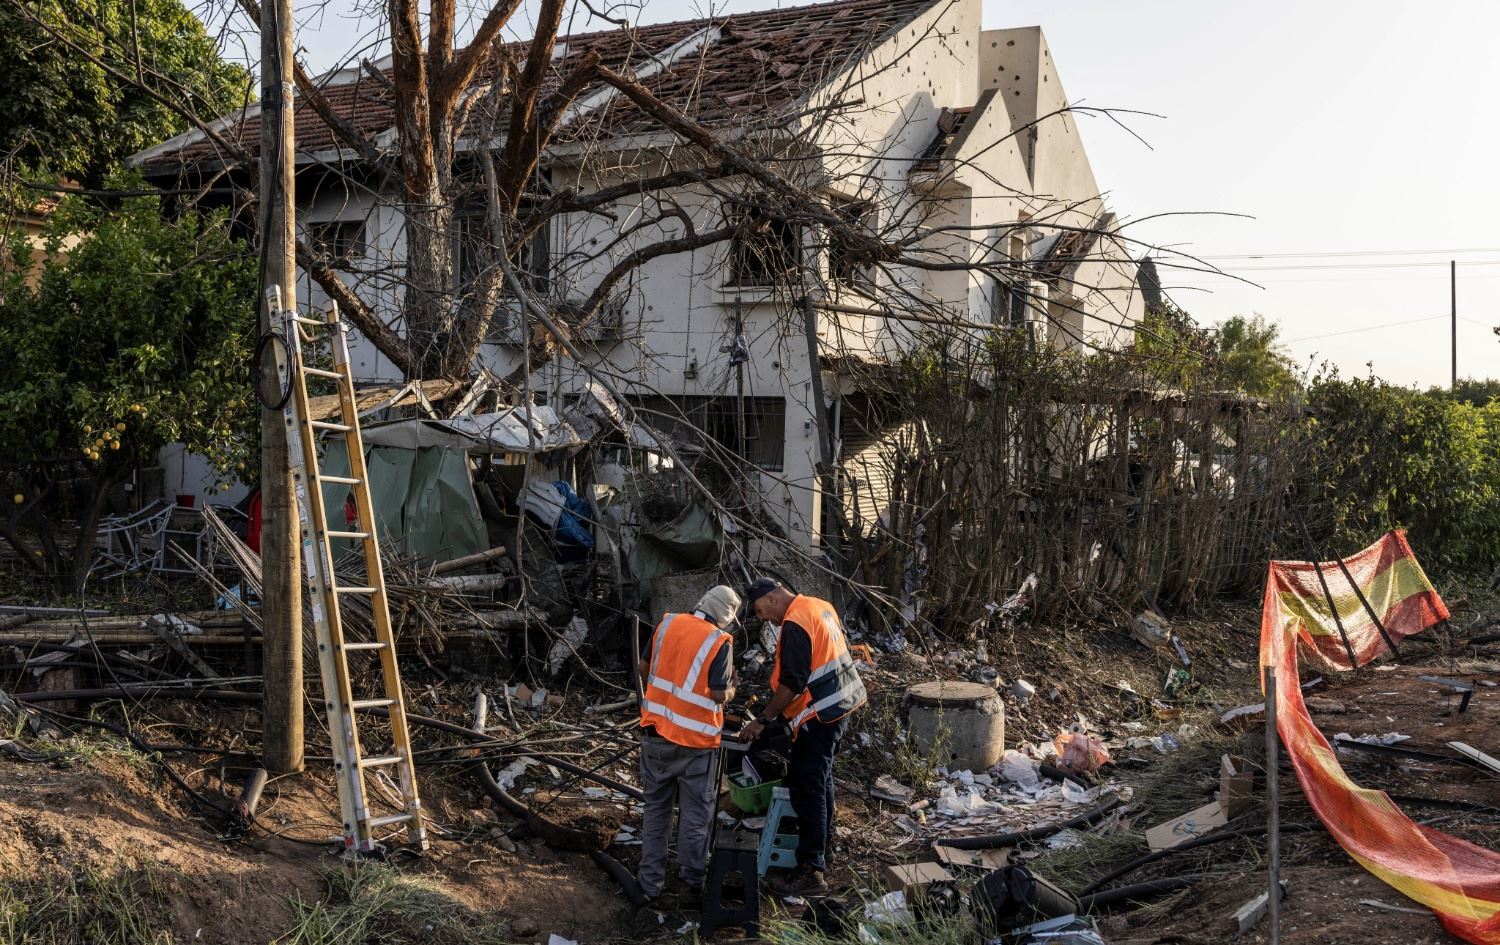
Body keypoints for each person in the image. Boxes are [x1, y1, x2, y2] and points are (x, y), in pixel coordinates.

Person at [738, 578, 867, 896]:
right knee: (821, 781)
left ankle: (811, 872)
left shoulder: (795, 621)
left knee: (806, 788)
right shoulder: (820, 606)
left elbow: (792, 682)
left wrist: (763, 721)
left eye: (760, 611)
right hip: (840, 706)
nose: (765, 619)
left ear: (771, 599)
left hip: (820, 714)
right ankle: (824, 846)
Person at [636, 585, 739, 909]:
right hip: (695, 743)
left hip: (655, 735)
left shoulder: (666, 624)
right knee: (696, 816)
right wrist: (734, 689)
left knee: (656, 812)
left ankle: (649, 885)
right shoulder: (719, 641)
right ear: (726, 617)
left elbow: (643, 669)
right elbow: (719, 693)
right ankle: (692, 882)